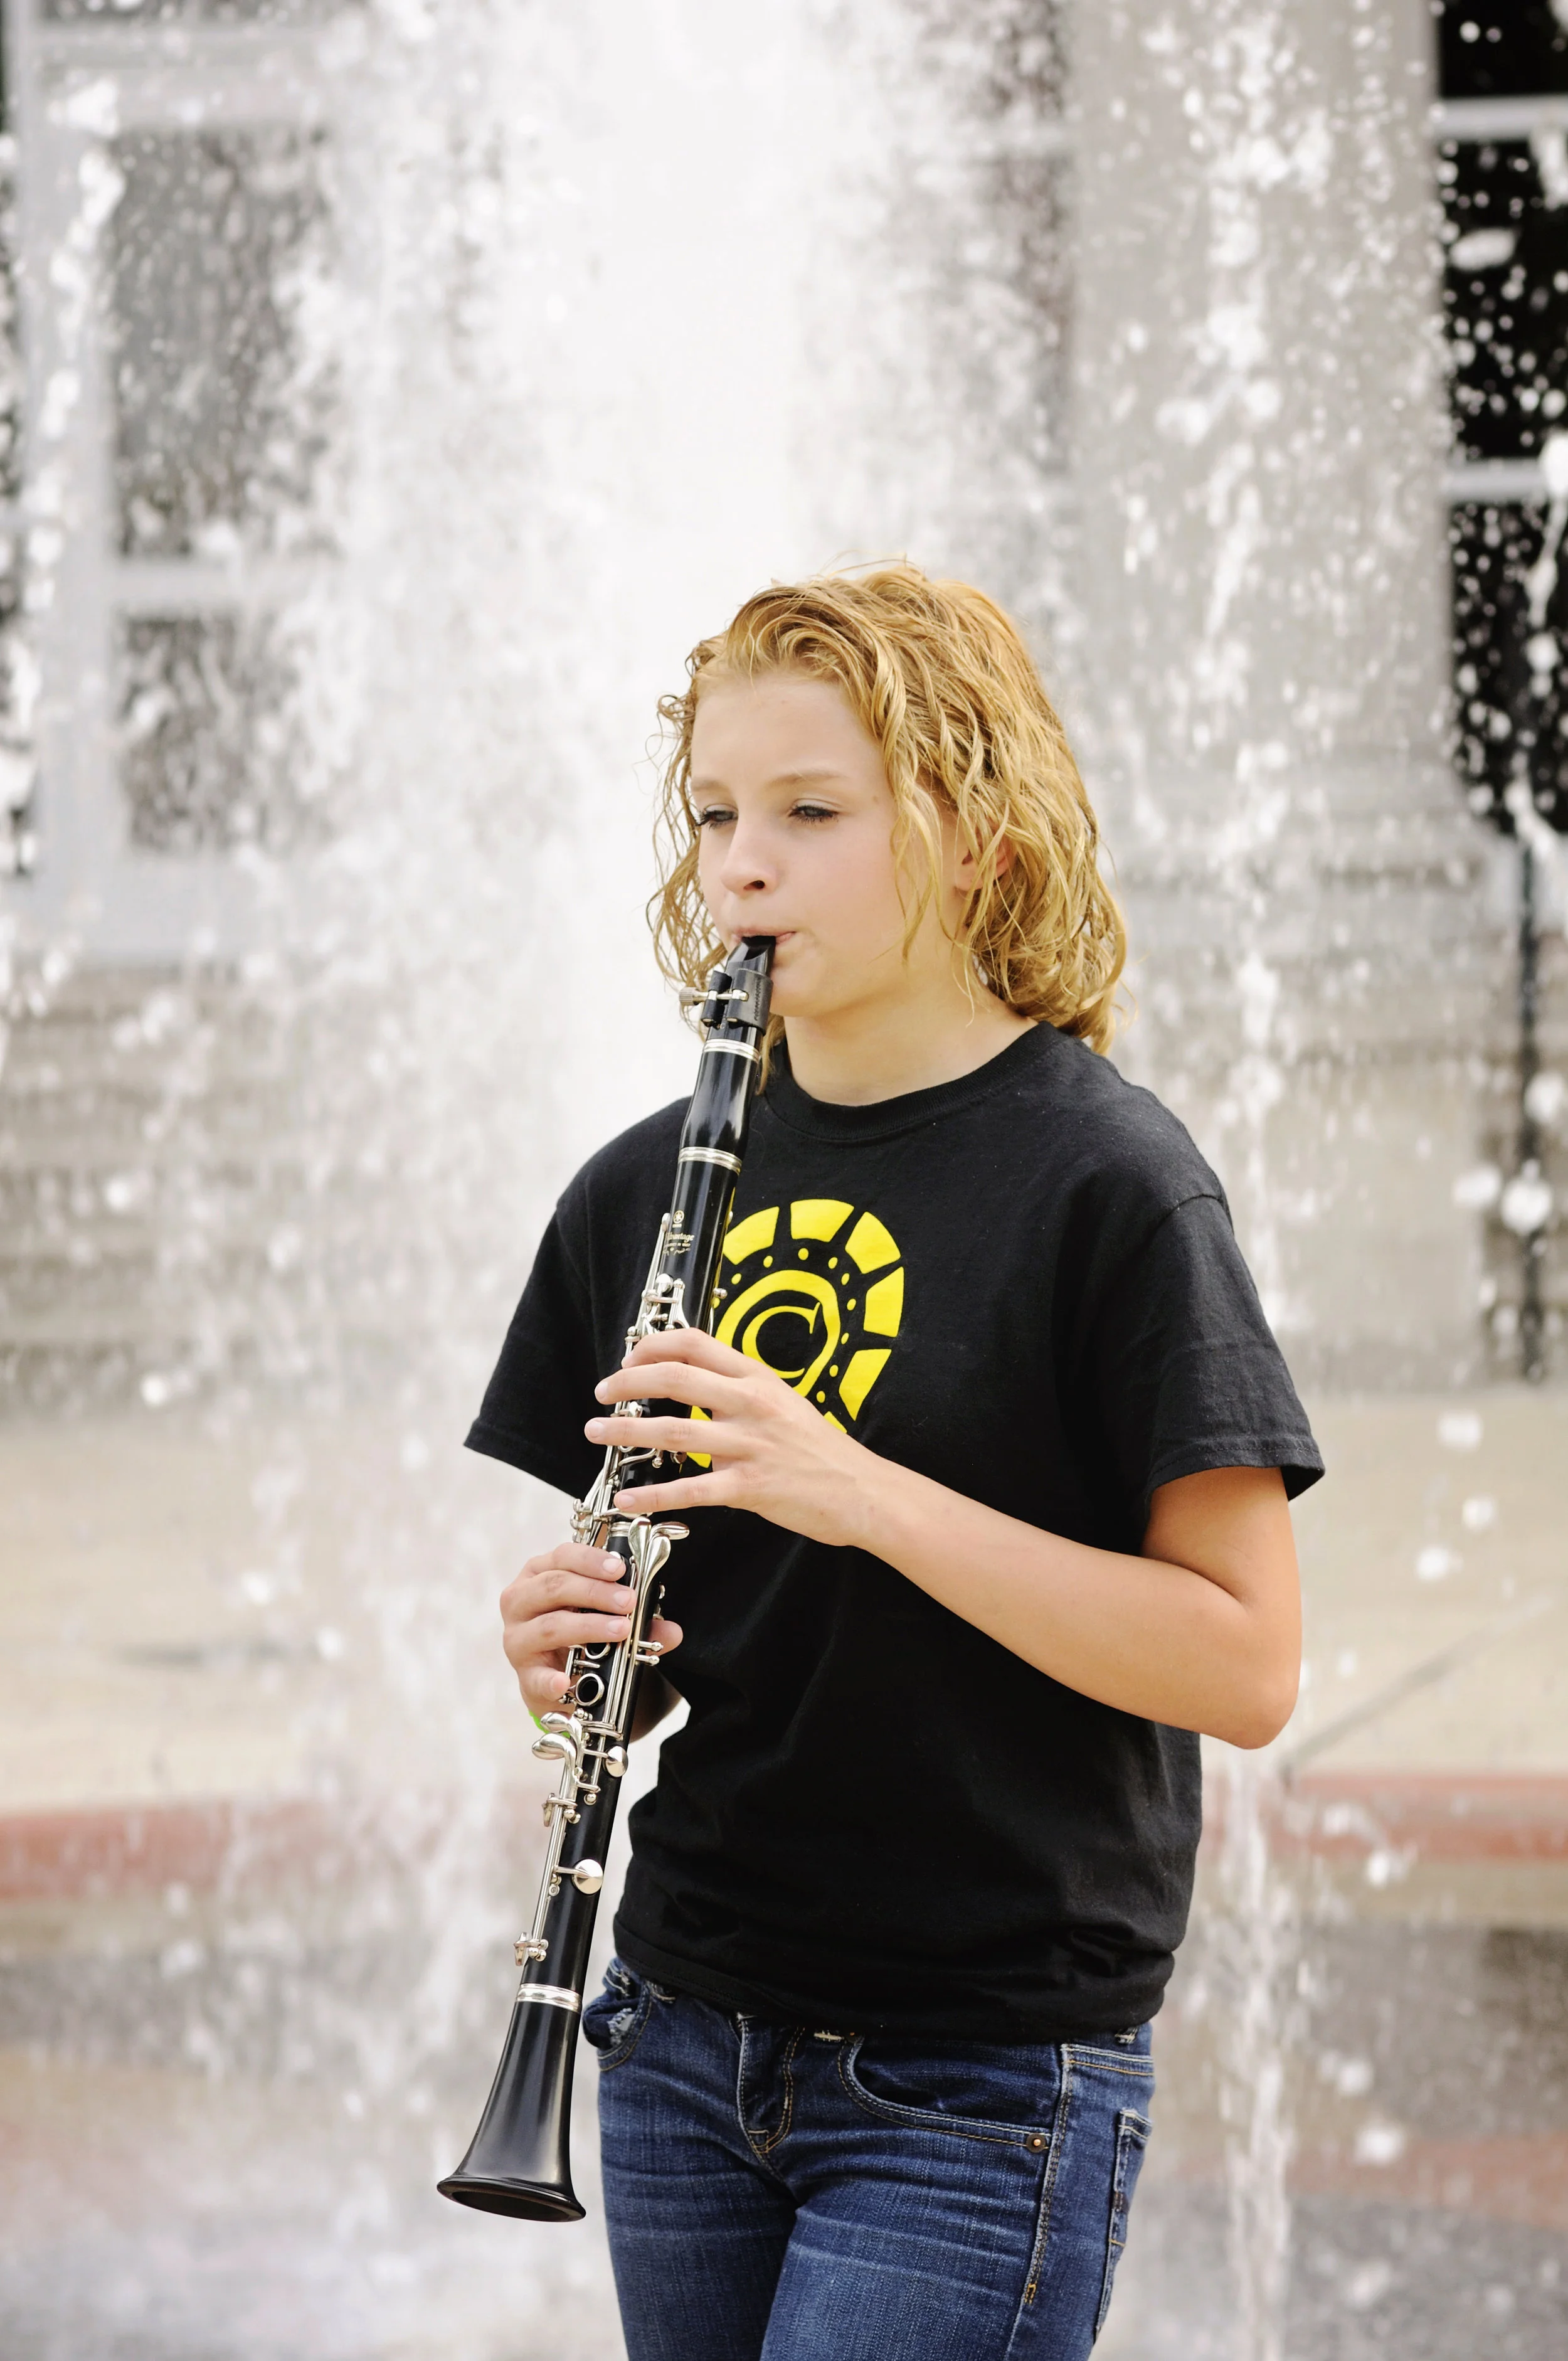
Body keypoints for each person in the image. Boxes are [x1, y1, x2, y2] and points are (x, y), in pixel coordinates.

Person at [467, 566, 1322, 2361]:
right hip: (686, 2034)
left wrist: (856, 1489)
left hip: (978, 2067)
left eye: (807, 810)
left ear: (975, 832)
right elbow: (683, 1641)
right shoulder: (640, 1190)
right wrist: (570, 1664)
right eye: (711, 814)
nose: (738, 866)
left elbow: (1243, 1662)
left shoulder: (1110, 1187)